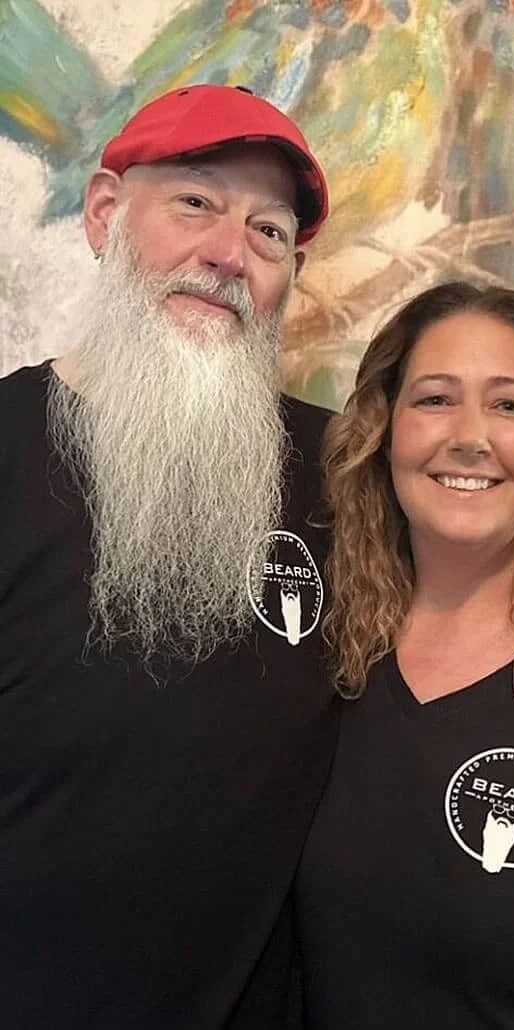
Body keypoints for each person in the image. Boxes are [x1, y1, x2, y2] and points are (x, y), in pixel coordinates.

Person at [0, 84, 340, 1029]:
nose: (228, 254)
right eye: (195, 203)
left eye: (268, 233)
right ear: (106, 214)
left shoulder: (344, 473)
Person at [296, 281, 514, 1029]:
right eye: (433, 399)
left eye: (510, 405)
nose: (469, 435)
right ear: (382, 430)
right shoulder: (323, 654)